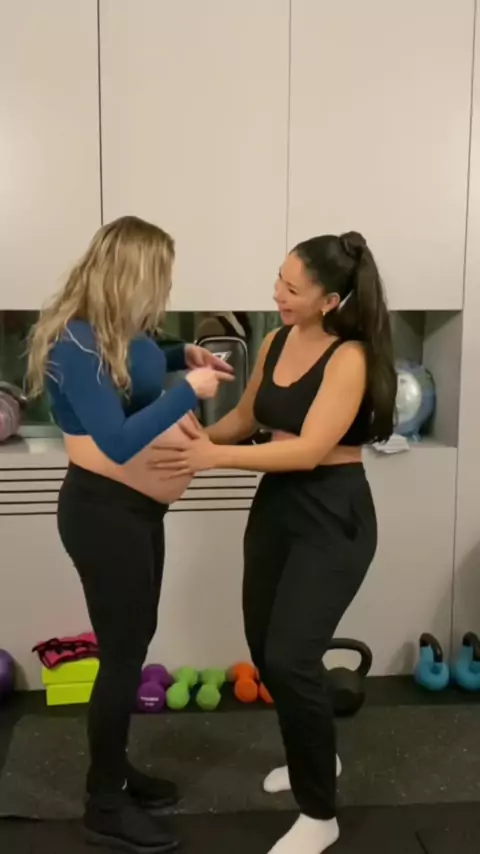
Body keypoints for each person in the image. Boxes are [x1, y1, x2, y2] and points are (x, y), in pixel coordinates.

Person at [149, 231, 397, 854]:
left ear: (330, 300)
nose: (278, 295)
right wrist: (189, 437)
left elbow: (310, 450)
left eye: (292, 288)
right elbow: (246, 419)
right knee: (265, 647)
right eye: (278, 280)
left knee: (291, 656)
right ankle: (316, 757)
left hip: (334, 512)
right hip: (278, 507)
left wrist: (213, 460)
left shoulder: (350, 358)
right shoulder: (276, 341)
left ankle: (320, 814)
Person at [27, 215, 233, 854]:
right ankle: (104, 803)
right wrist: (189, 391)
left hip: (137, 513)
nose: (165, 290)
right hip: (100, 514)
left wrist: (180, 355)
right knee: (120, 657)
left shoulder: (120, 330)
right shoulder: (75, 343)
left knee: (134, 643)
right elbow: (116, 442)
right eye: (159, 277)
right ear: (132, 275)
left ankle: (116, 770)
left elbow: (139, 363)